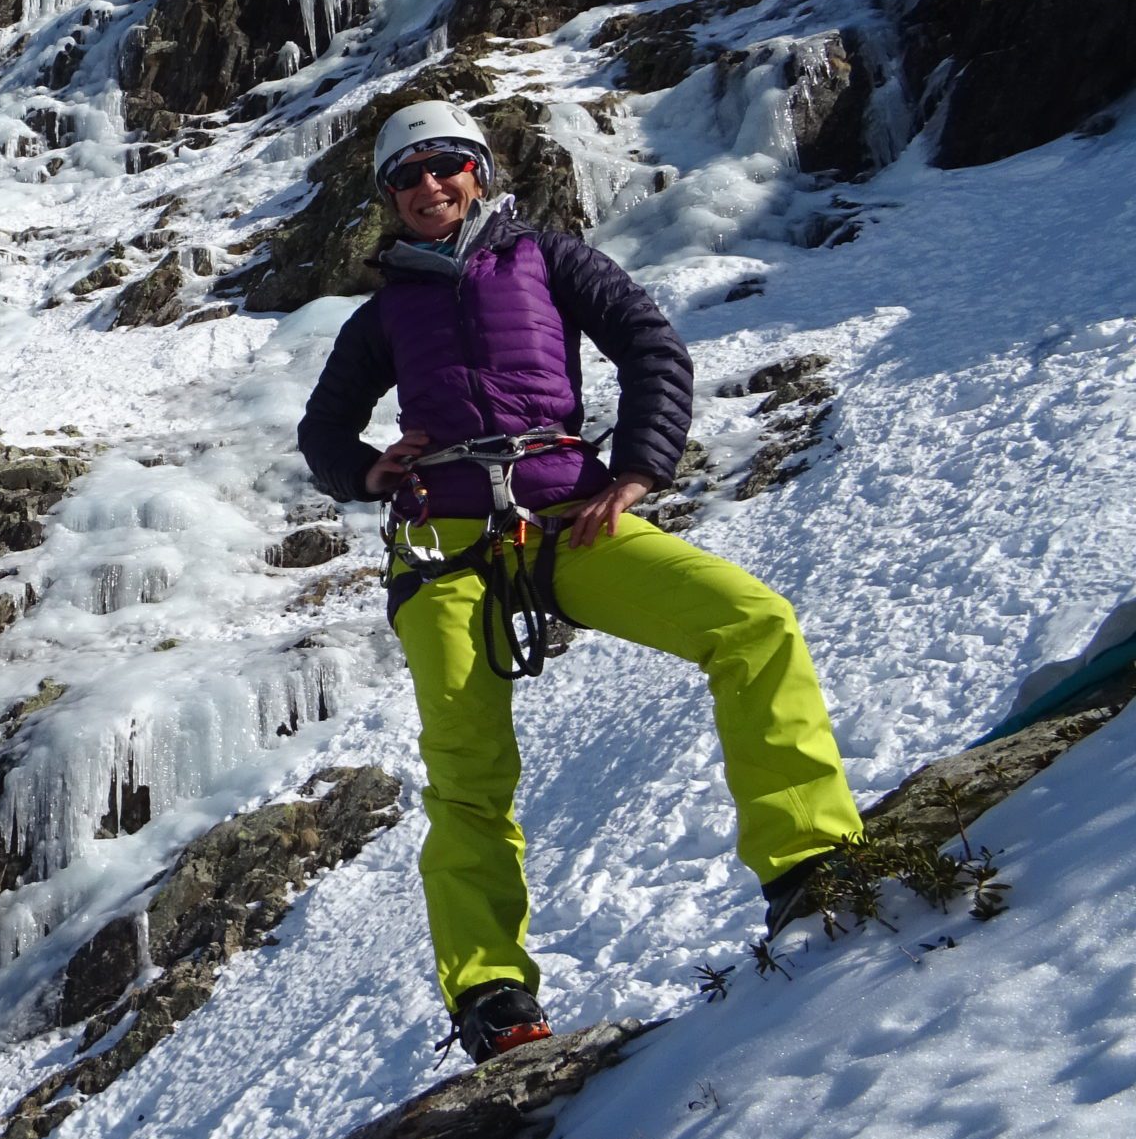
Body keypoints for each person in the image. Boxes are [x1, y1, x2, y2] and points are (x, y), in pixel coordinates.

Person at [295, 100, 864, 1064]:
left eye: (446, 166)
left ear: (478, 169)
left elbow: (650, 346)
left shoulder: (550, 260)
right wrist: (367, 470)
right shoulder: (382, 312)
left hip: (570, 512)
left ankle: (809, 856)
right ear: (388, 199)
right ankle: (491, 992)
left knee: (751, 622)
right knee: (467, 767)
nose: (430, 186)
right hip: (447, 540)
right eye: (407, 177)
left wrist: (640, 470)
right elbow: (323, 429)